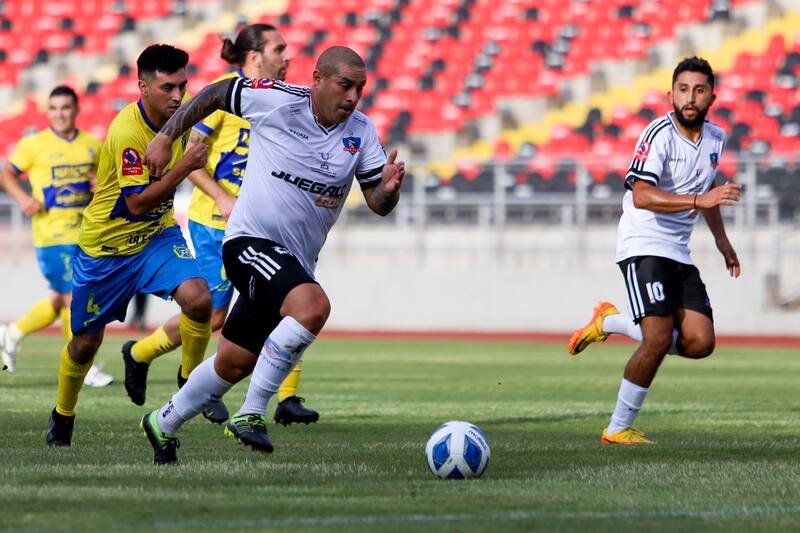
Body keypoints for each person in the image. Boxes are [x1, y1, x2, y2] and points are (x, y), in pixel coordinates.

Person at [139, 45, 405, 464]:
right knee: (313, 306)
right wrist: (165, 135)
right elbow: (216, 93)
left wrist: (388, 190)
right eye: (345, 85)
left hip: (293, 262)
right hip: (249, 243)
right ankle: (250, 414)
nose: (354, 97)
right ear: (317, 80)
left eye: (361, 88)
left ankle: (163, 421)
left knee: (232, 363)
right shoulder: (277, 100)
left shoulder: (362, 132)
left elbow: (376, 201)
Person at [122, 24, 319, 425]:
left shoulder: (283, 100)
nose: (288, 56)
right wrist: (221, 196)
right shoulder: (226, 96)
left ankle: (287, 397)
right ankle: (139, 353)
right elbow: (189, 157)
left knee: (288, 302)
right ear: (254, 57)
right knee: (212, 317)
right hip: (215, 224)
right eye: (279, 48)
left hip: (261, 225)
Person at [45, 44, 219, 447]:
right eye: (167, 87)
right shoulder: (127, 131)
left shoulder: (183, 114)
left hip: (157, 238)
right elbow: (138, 203)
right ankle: (63, 415)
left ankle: (190, 384)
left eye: (182, 86)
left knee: (198, 299)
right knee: (85, 343)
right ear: (142, 87)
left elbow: (215, 99)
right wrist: (184, 167)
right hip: (107, 250)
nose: (177, 96)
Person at [566, 57, 742, 445]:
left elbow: (707, 195)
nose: (690, 98)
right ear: (671, 94)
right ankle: (617, 428)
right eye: (683, 90)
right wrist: (701, 198)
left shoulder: (716, 137)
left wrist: (722, 241)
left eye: (699, 90)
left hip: (678, 250)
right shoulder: (657, 134)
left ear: (713, 95)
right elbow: (642, 196)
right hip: (643, 243)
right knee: (659, 338)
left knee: (701, 342)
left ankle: (609, 322)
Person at [0, 86, 112, 387]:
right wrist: (23, 199)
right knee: (73, 298)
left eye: (65, 107)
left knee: (60, 300)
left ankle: (13, 333)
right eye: (54, 108)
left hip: (85, 236)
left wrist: (97, 185)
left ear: (76, 110)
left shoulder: (92, 145)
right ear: (47, 112)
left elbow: (103, 181)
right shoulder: (33, 145)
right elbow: (6, 173)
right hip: (51, 238)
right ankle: (83, 367)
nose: (60, 113)